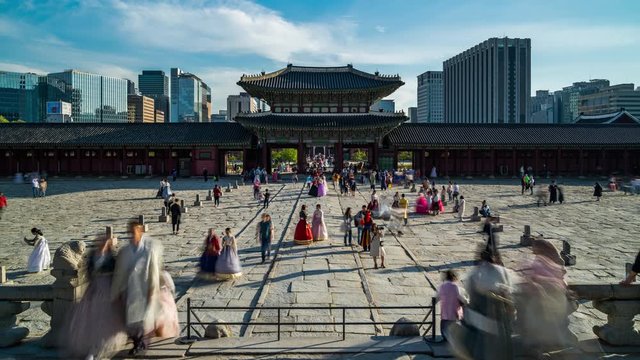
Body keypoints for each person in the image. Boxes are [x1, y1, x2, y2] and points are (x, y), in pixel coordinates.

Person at [63, 235, 127, 359]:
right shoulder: (92, 255)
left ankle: (101, 347)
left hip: (108, 288)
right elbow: (88, 272)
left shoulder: (111, 257)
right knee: (92, 319)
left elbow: (116, 273)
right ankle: (91, 349)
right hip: (95, 288)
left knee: (107, 319)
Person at [448, 247, 514, 360]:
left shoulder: (475, 274)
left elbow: (469, 293)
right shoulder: (502, 272)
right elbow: (507, 292)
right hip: (498, 317)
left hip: (480, 317)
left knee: (479, 346)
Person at [111, 220, 163, 356]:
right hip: (129, 290)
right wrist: (116, 292)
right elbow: (120, 273)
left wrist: (153, 289)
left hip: (144, 289)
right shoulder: (125, 250)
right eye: (130, 231)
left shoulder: (149, 249)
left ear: (140, 231)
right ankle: (138, 342)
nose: (132, 234)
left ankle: (139, 344)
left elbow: (153, 270)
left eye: (134, 231)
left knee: (141, 320)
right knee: (129, 321)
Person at [436, 269, 468, 341]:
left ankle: (445, 338)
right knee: (455, 327)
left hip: (444, 312)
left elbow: (437, 297)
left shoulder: (442, 286)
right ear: (454, 277)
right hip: (454, 312)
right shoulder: (455, 287)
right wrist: (467, 301)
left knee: (444, 326)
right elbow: (461, 297)